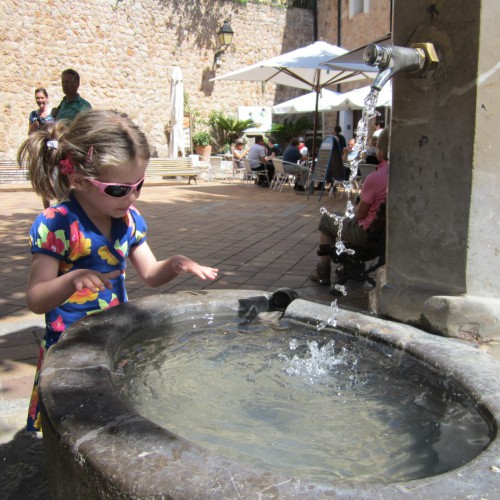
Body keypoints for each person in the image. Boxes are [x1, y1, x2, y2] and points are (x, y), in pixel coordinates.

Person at [17, 109, 219, 432]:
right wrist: (71, 280)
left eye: (138, 184)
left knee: (108, 424)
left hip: (112, 340)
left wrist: (175, 264)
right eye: (118, 189)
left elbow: (151, 274)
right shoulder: (57, 224)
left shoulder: (128, 220)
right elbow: (36, 299)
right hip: (70, 347)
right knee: (71, 429)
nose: (132, 196)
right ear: (78, 179)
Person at [310, 127, 389, 285]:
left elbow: (359, 215)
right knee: (342, 221)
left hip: (366, 235)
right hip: (385, 237)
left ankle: (323, 270)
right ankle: (349, 266)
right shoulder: (404, 175)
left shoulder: (376, 178)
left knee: (328, 219)